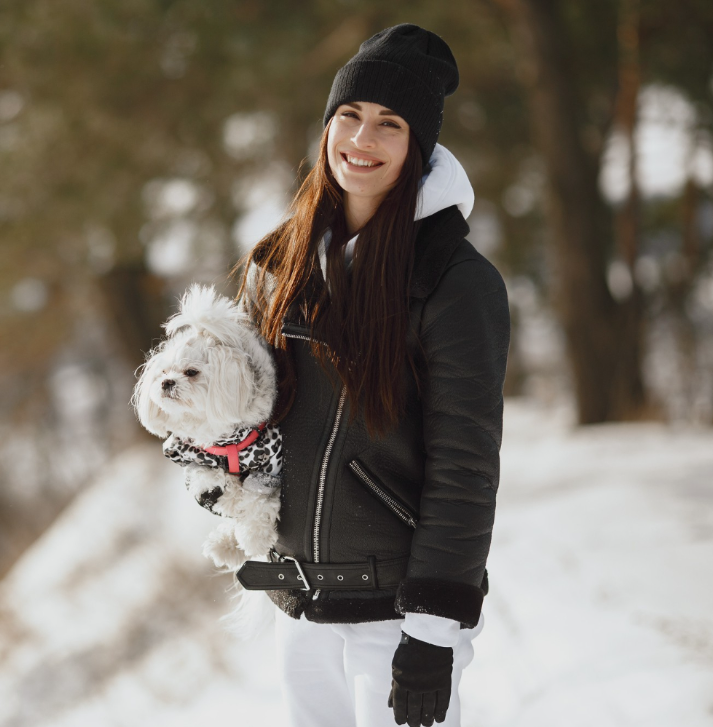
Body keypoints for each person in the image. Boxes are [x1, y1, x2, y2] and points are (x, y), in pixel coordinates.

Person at [236, 24, 510, 727]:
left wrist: (432, 630)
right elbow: (257, 407)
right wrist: (213, 446)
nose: (362, 138)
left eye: (390, 124)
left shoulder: (454, 281)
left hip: (398, 612)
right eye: (350, 115)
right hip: (301, 605)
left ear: (416, 147)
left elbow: (465, 463)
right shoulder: (285, 260)